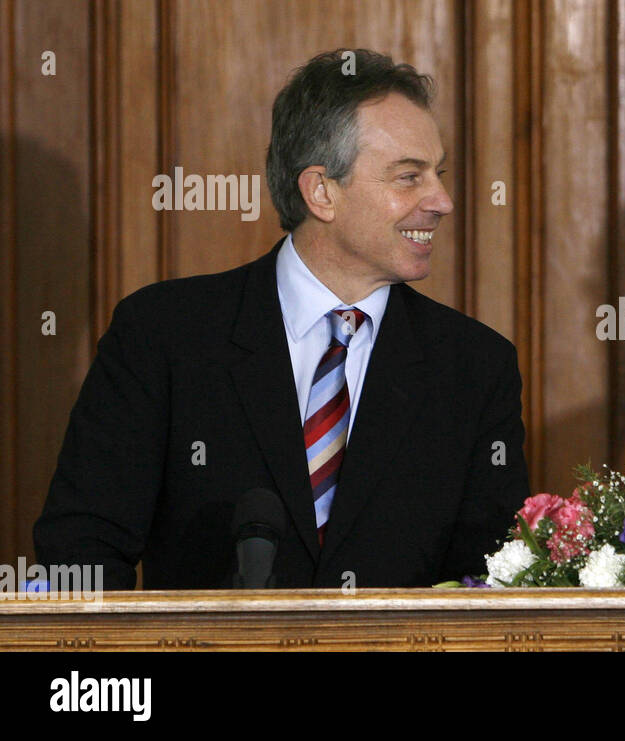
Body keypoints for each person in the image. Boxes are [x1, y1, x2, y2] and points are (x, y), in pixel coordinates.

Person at [34, 49, 530, 589]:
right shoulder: (164, 336)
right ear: (321, 191)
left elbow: (492, 582)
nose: (443, 200)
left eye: (438, 174)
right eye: (409, 177)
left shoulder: (476, 367)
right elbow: (80, 555)